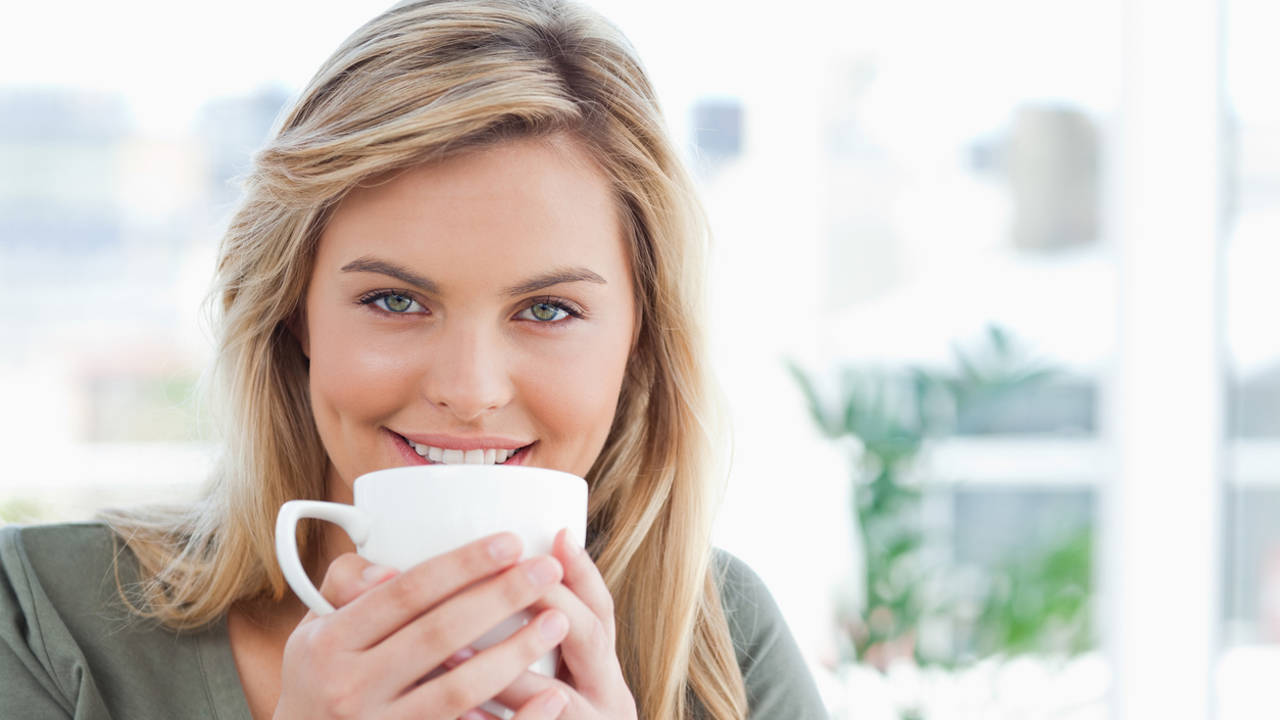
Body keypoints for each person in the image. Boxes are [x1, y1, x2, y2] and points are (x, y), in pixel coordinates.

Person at [0, 1, 827, 718]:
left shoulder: (721, 641)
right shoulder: (40, 618)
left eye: (548, 310)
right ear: (296, 314)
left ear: (637, 344)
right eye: (395, 302)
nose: (468, 392)